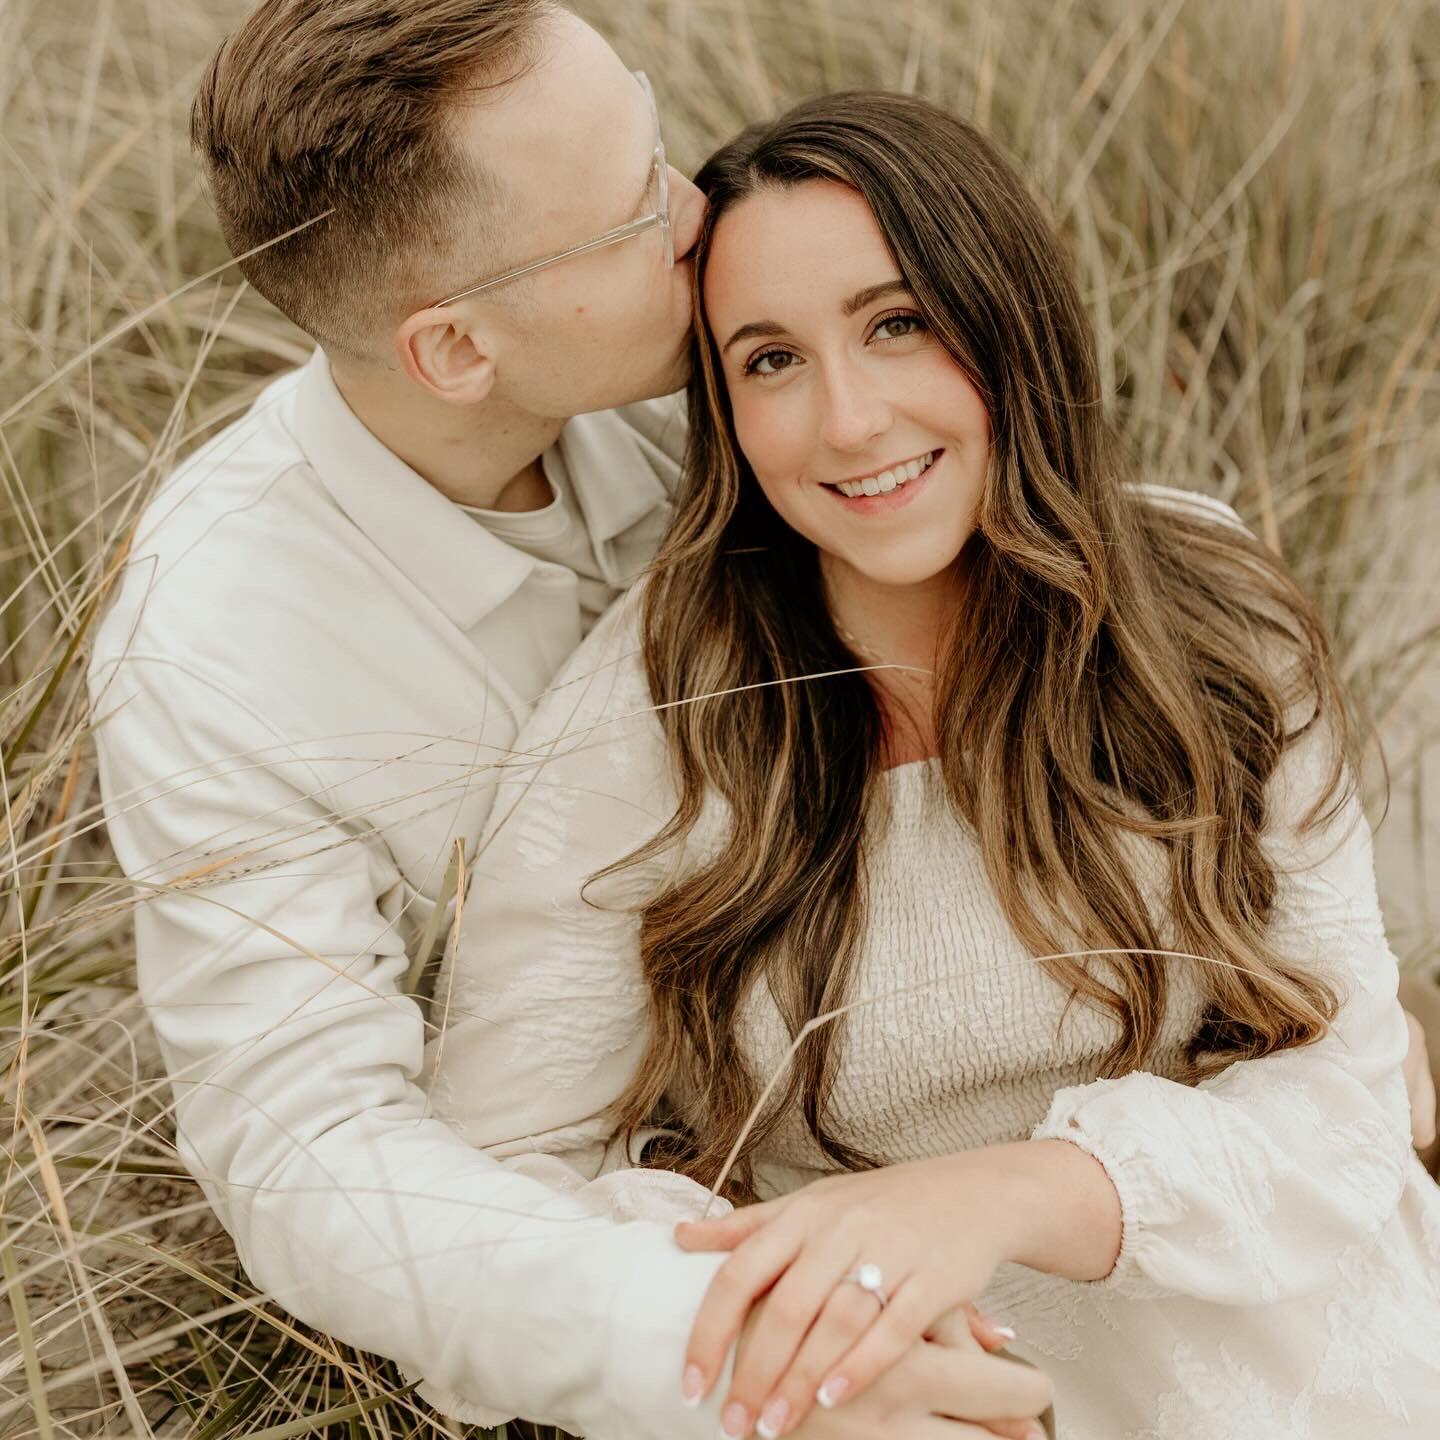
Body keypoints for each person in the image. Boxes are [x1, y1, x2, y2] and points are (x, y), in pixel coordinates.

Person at [86, 2, 1053, 1437]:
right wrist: (722, 1351)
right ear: (455, 350)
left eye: (655, 138)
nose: (695, 211)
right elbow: (311, 1150)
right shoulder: (216, 648)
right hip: (614, 1245)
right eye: (630, 212)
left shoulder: (728, 369)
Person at [422, 91, 1440, 1439]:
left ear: (1006, 317)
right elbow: (491, 1199)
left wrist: (1002, 1193)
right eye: (771, 361)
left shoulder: (1209, 612)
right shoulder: (653, 720)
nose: (849, 421)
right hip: (882, 1395)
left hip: (1307, 1360)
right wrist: (771, 1308)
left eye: (898, 323)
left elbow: (1355, 1096)